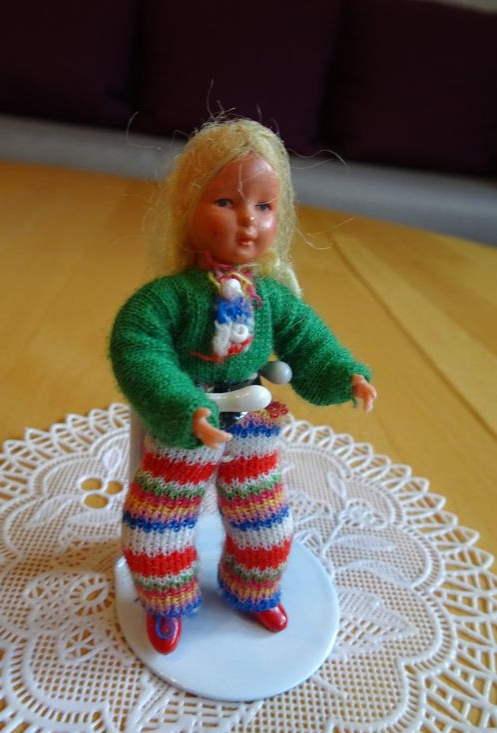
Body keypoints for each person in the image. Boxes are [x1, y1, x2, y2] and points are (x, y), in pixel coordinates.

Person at [110, 118, 377, 654]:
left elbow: (309, 342)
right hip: (189, 426)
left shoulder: (271, 298)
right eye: (226, 202)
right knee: (157, 526)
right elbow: (139, 348)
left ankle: (254, 589)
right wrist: (182, 406)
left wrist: (343, 373)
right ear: (187, 206)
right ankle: (165, 601)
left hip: (253, 427)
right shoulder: (168, 298)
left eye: (264, 206)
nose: (248, 220)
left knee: (266, 524)